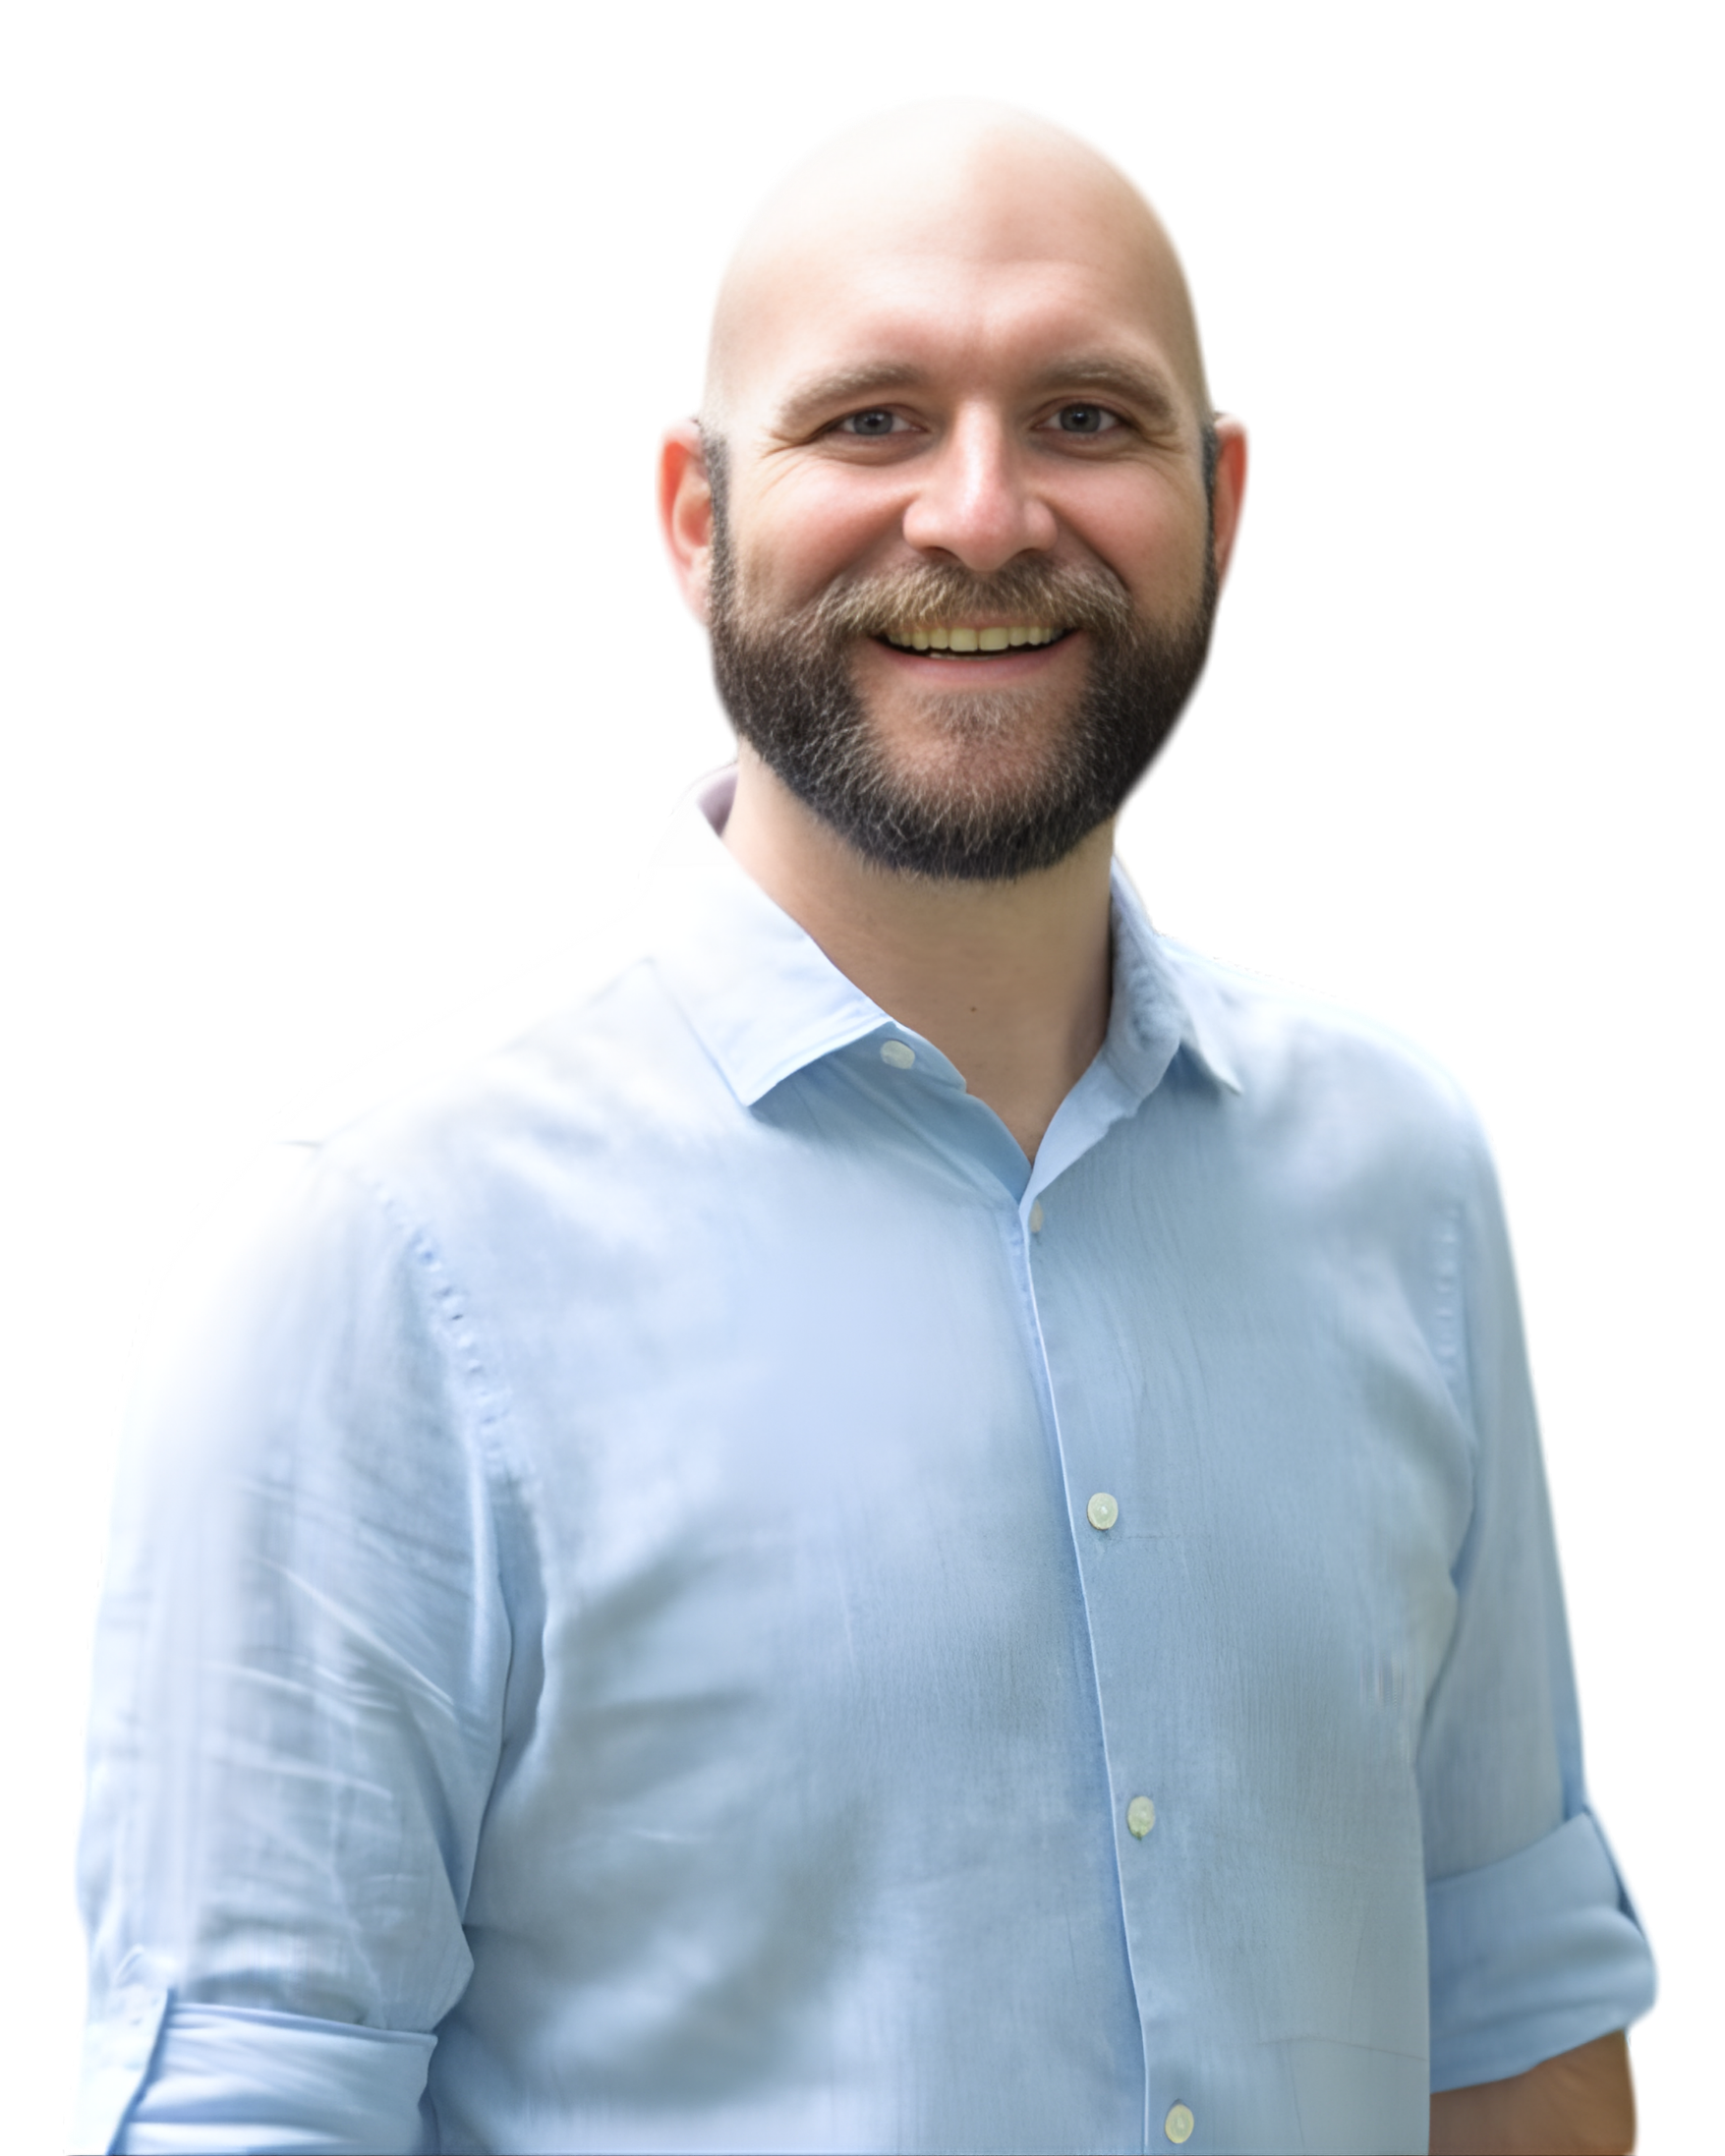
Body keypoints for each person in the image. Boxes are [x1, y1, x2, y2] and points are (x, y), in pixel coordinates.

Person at [68, 91, 1659, 2156]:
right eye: (873, 421)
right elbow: (248, 2102)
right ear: (692, 519)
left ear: (1223, 499)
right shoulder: (365, 1247)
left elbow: (1509, 2000)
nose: (983, 514)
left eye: (1084, 417)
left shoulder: (1403, 1162)